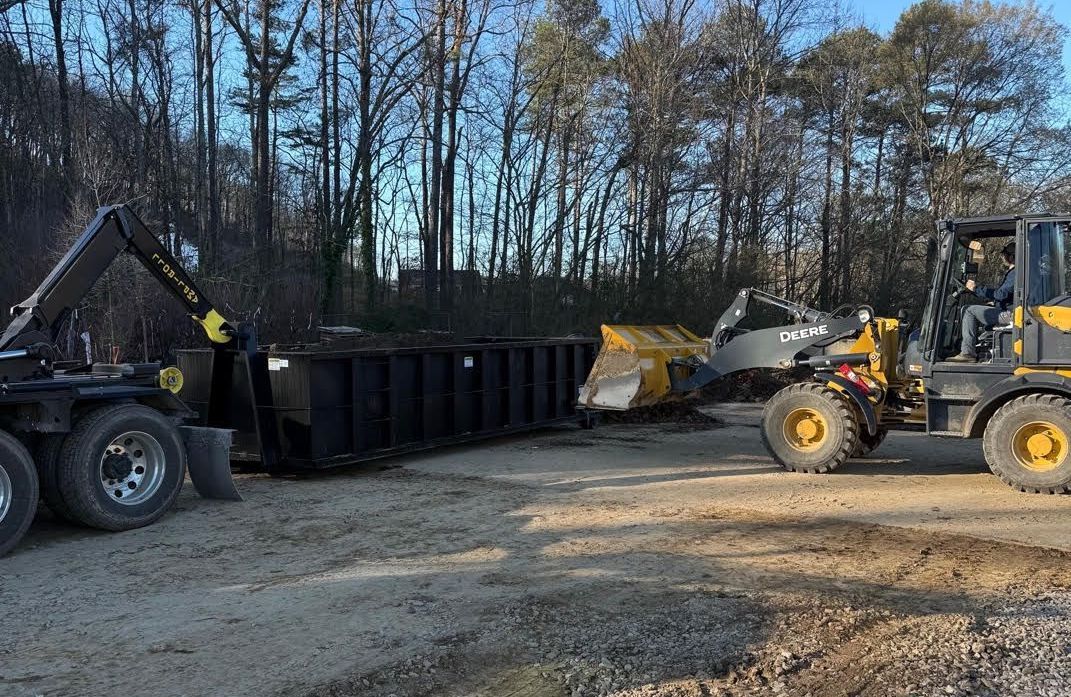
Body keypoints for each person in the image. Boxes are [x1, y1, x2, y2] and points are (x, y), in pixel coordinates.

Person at [948, 241, 1015, 362]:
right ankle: (977, 347)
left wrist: (976, 288)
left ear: (1011, 257)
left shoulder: (1015, 273)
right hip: (1009, 311)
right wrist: (990, 301)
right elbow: (1005, 296)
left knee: (969, 311)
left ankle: (968, 353)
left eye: (1004, 254)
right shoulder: (1014, 273)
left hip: (1010, 315)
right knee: (980, 309)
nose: (1002, 257)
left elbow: (1001, 294)